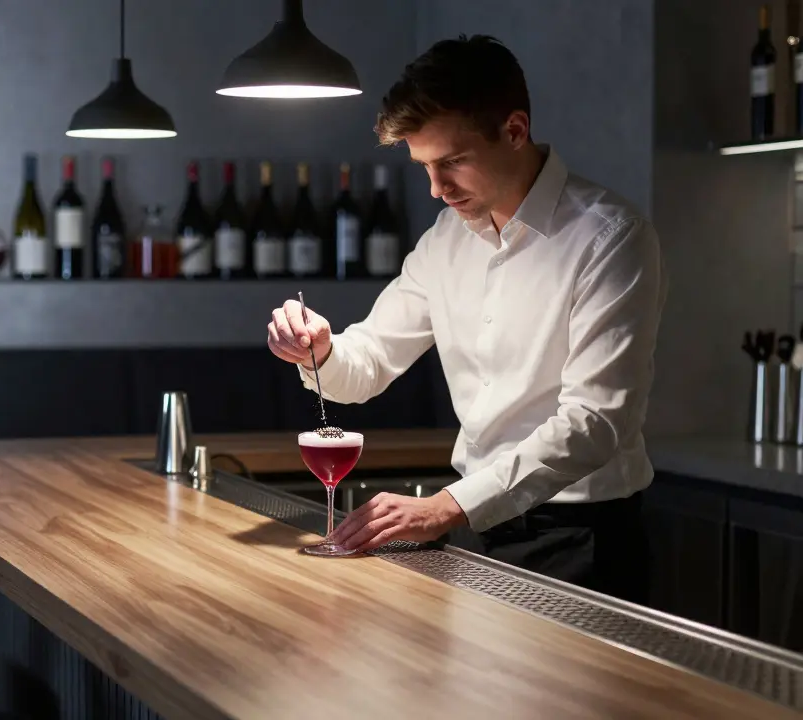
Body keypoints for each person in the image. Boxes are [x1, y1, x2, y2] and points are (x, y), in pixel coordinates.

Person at [266, 35, 666, 603]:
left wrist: (448, 505)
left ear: (514, 130)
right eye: (424, 165)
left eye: (452, 161)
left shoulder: (611, 238)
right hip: (477, 531)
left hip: (582, 539)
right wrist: (322, 350)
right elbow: (372, 359)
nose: (436, 188)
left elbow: (595, 423)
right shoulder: (446, 238)